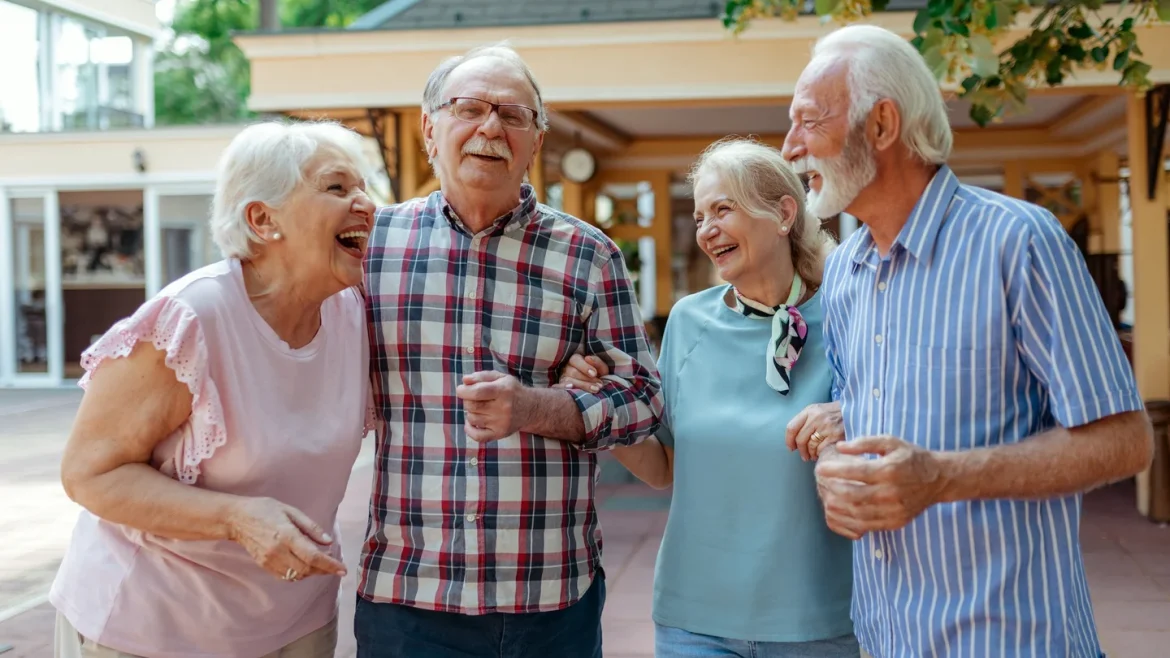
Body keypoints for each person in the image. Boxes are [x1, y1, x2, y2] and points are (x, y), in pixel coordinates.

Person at [781, 24, 1154, 658]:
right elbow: (877, 400)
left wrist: (941, 477)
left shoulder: (1020, 241)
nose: (790, 147)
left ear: (882, 124)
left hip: (1011, 639)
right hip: (885, 636)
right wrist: (842, 425)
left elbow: (1125, 440)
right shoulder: (843, 271)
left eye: (808, 122)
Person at [356, 43, 665, 658]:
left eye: (513, 115)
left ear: (535, 143)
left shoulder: (588, 255)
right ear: (429, 130)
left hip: (550, 596)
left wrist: (540, 407)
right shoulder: (372, 247)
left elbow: (643, 402)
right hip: (408, 594)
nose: (491, 127)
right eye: (470, 108)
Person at [50, 120, 377, 658]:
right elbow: (89, 473)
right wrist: (236, 517)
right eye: (337, 187)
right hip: (154, 627)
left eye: (363, 188)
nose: (365, 203)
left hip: (298, 622)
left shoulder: (355, 314)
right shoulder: (190, 320)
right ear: (262, 219)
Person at [559, 137, 860, 657]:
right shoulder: (688, 320)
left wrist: (854, 415)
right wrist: (598, 402)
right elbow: (663, 466)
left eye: (723, 210)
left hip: (815, 621)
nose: (706, 230)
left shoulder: (849, 316)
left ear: (784, 214)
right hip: (693, 620)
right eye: (700, 217)